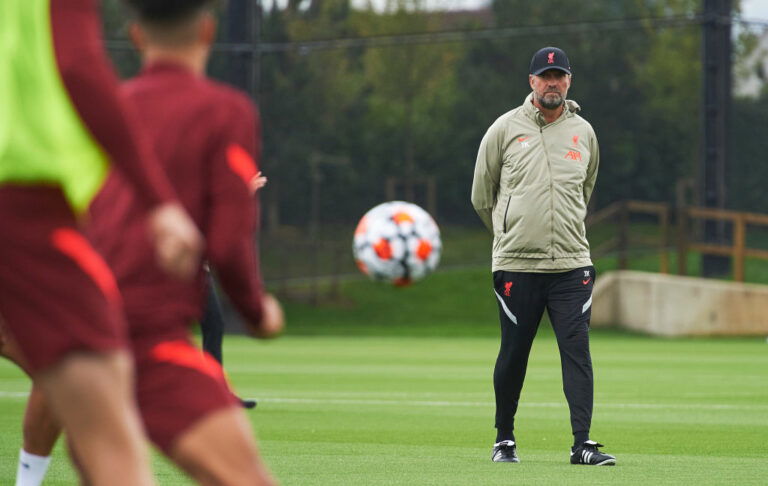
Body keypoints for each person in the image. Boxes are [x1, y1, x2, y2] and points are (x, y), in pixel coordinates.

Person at [0, 1, 203, 485]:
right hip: (24, 199)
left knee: (78, 377)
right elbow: (77, 64)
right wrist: (158, 199)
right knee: (103, 389)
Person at [471, 46, 615, 466]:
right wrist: (509, 235)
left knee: (577, 350)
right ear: (531, 82)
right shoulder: (504, 129)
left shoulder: (584, 132)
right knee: (515, 352)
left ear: (569, 81)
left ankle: (583, 444)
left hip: (572, 264)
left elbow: (585, 190)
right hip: (517, 264)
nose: (552, 83)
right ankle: (504, 439)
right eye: (544, 76)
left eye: (559, 76)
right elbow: (482, 195)